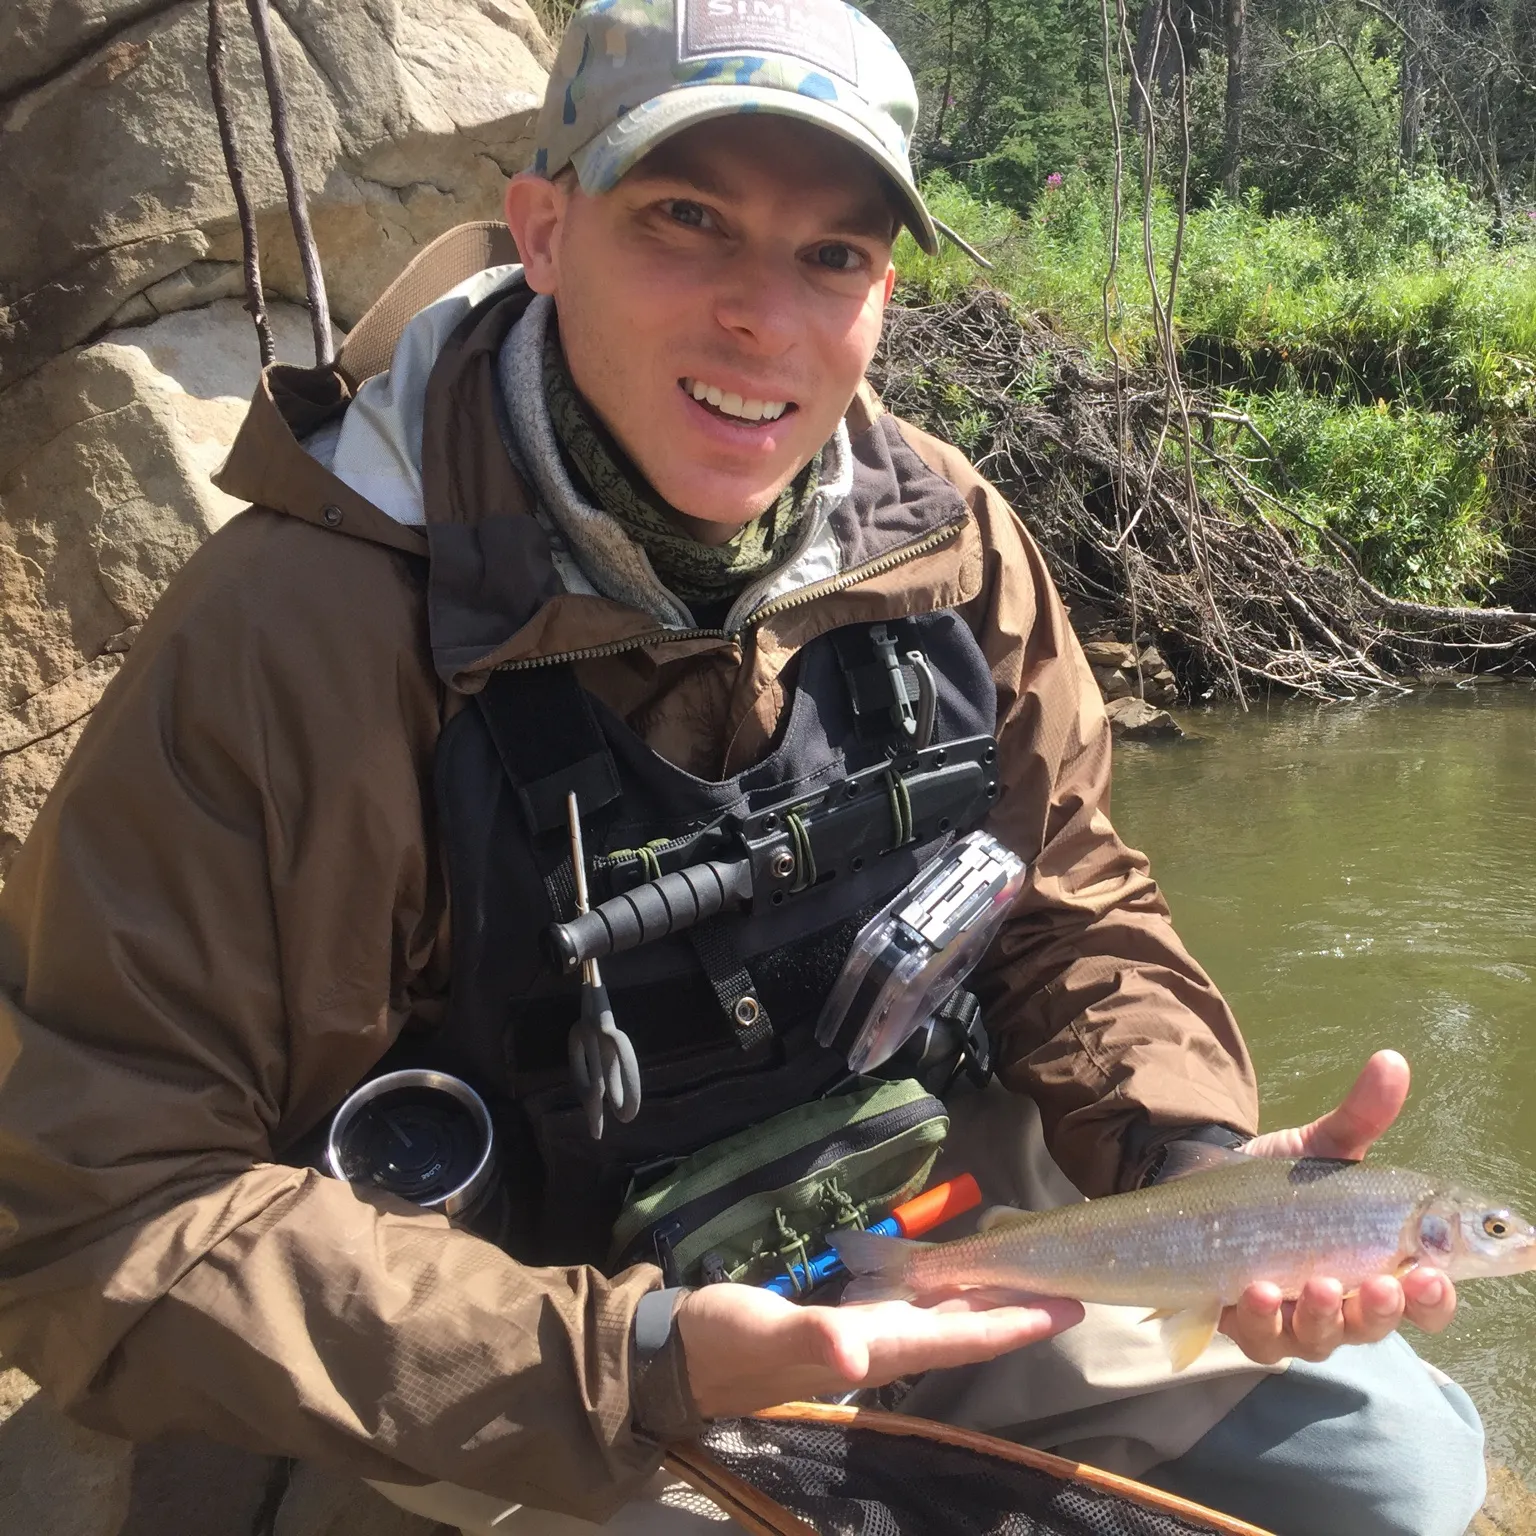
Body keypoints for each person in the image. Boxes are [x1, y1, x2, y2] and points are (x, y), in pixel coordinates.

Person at [0, 2, 1485, 1533]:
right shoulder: (300, 630)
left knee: (1392, 1468)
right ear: (546, 230)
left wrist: (1203, 1181)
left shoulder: (949, 541)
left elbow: (1069, 901)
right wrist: (636, 1358)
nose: (762, 316)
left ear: (884, 291)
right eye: (687, 220)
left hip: (926, 1242)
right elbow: (100, 1205)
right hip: (546, 1347)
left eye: (831, 254)